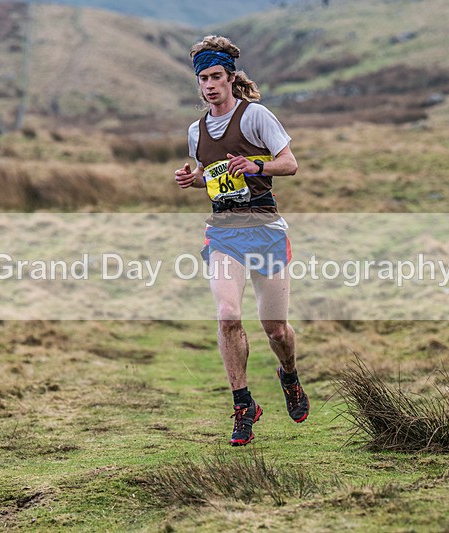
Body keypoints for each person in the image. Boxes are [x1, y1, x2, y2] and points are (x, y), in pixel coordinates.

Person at [174, 35, 309, 446]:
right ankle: (243, 403)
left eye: (216, 76)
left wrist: (256, 164)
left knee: (276, 330)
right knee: (228, 315)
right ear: (198, 84)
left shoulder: (256, 117)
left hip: (266, 230)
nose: (210, 85)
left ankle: (289, 375)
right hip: (224, 234)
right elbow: (209, 177)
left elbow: (290, 163)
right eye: (203, 78)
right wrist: (192, 179)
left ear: (231, 78)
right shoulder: (196, 131)